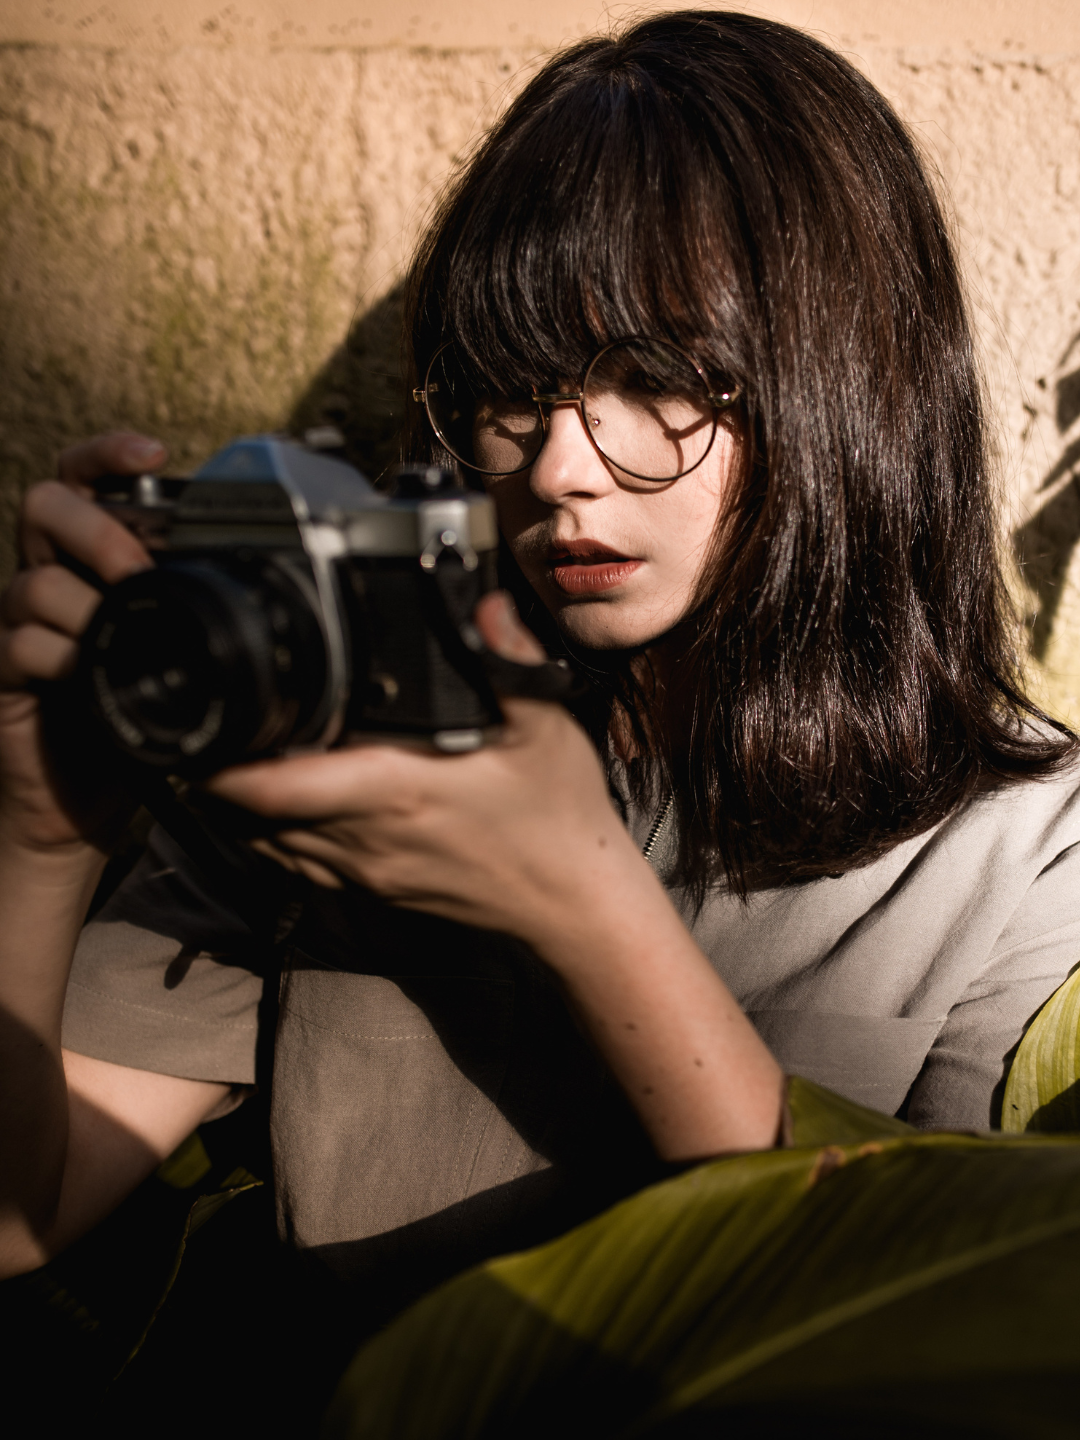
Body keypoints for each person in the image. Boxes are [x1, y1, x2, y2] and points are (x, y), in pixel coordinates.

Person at [2, 8, 1079, 1319]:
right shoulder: (347, 744)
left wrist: (579, 903)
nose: (561, 469)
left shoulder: (1028, 863)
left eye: (661, 379)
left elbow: (926, 1337)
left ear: (852, 382)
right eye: (511, 388)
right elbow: (19, 1215)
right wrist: (40, 825)